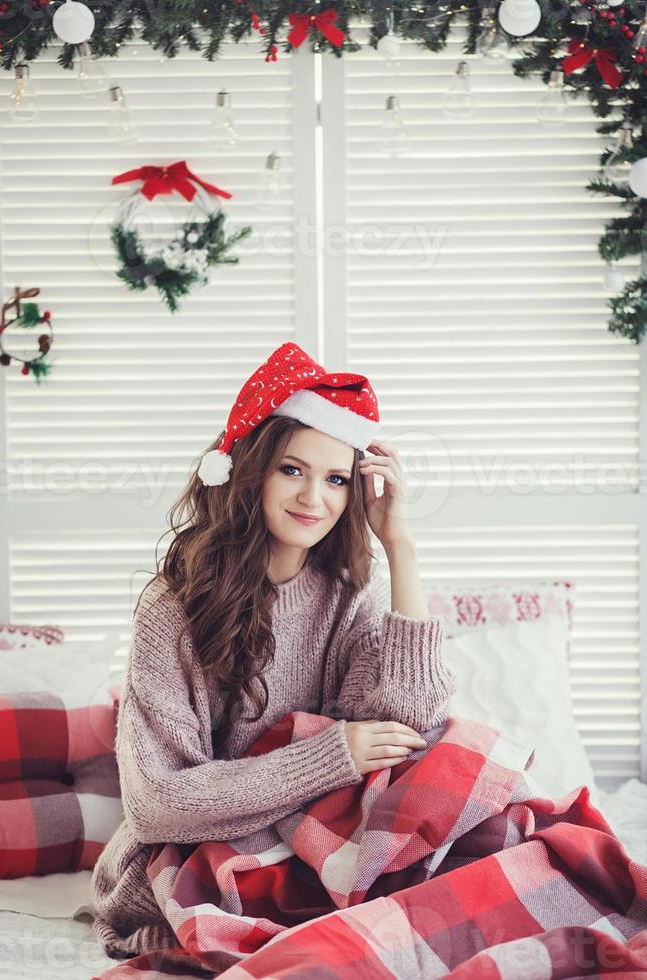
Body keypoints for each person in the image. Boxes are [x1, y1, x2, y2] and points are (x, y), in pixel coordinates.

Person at [89, 341, 457, 961]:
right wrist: (332, 756)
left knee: (470, 785)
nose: (314, 498)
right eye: (293, 469)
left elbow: (411, 724)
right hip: (198, 852)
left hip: (321, 840)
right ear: (250, 470)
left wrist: (401, 546)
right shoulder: (172, 607)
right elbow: (154, 805)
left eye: (336, 479)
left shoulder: (349, 593)